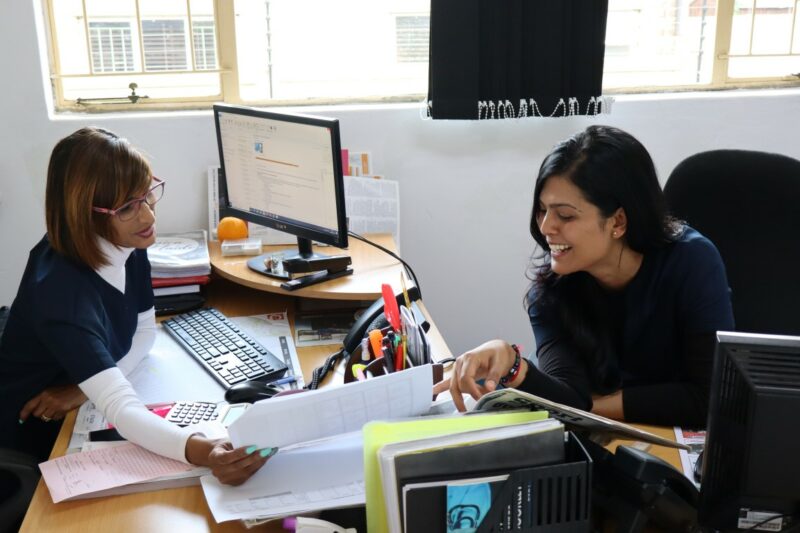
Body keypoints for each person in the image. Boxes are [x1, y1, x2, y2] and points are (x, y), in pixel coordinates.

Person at [0, 127, 271, 485]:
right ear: (85, 214)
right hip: (34, 428)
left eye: (147, 195)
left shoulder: (126, 240)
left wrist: (83, 389)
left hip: (79, 396)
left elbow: (144, 332)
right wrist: (203, 450)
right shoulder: (60, 294)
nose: (148, 217)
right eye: (127, 207)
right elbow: (122, 409)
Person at [434, 125, 734, 427]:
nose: (546, 227)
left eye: (565, 215)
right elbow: (569, 397)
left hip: (679, 440)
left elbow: (709, 399)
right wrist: (514, 366)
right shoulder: (551, 290)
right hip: (619, 435)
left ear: (618, 222)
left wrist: (589, 407)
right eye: (542, 210)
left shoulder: (692, 262)